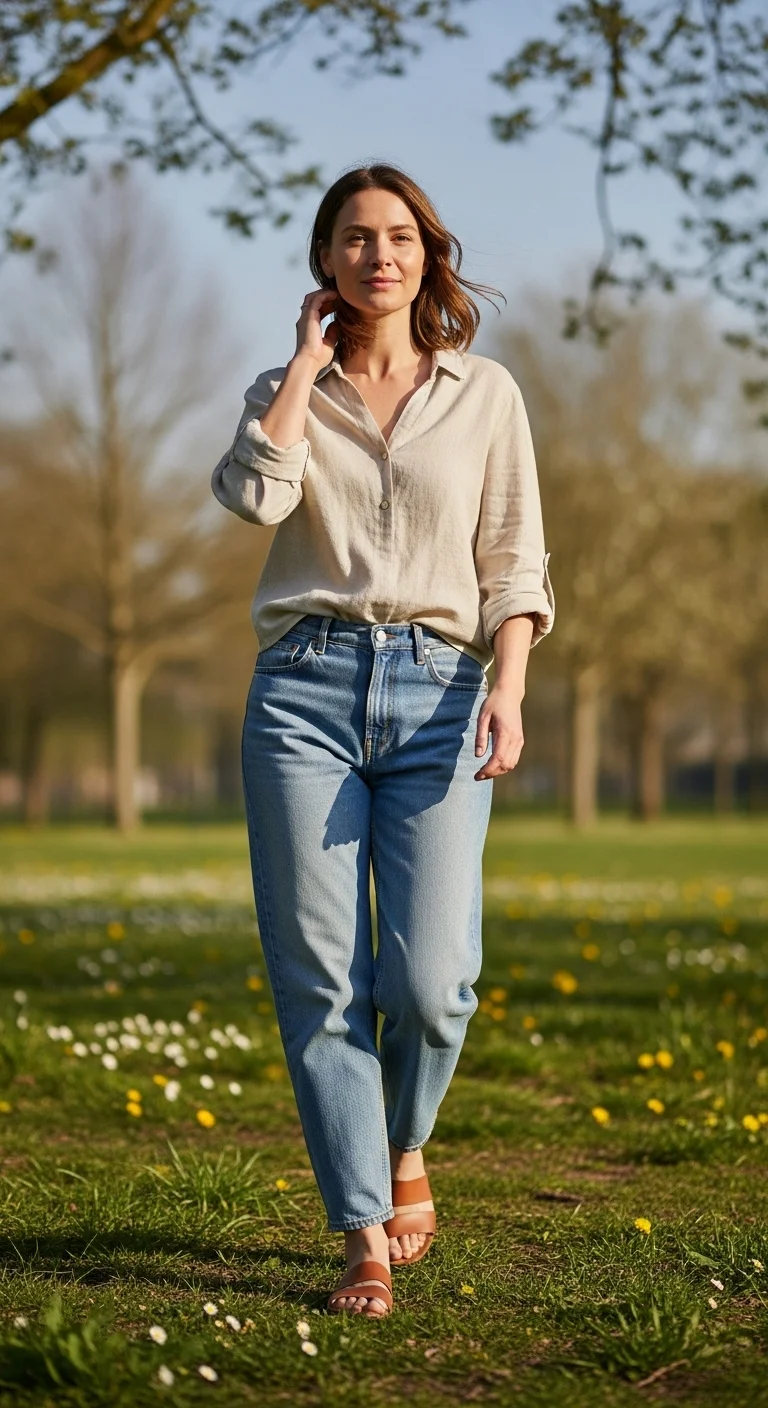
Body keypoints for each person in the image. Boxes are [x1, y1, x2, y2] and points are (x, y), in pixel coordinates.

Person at [211, 162, 555, 1319]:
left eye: (398, 235)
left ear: (428, 251)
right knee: (321, 975)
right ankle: (361, 1225)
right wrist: (304, 370)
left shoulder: (487, 394)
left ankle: (405, 1137)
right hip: (302, 691)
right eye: (355, 238)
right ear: (326, 261)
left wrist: (509, 686)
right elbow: (254, 502)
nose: (379, 255)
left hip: (446, 688)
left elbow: (515, 558)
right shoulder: (284, 388)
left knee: (430, 979)